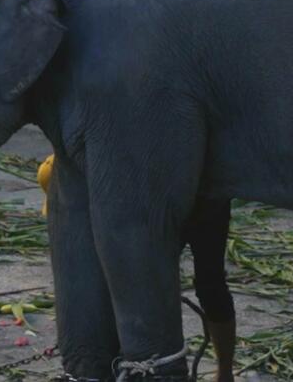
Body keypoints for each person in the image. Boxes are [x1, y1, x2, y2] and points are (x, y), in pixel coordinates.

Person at [38, 156, 236, 381]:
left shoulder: (108, 173)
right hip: (162, 194)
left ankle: (224, 372)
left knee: (208, 285)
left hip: (200, 196)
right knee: (182, 284)